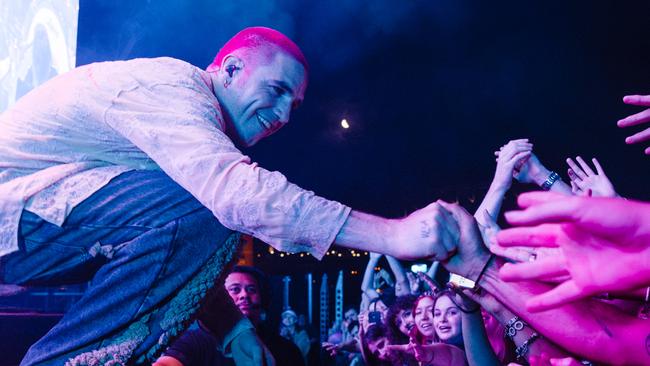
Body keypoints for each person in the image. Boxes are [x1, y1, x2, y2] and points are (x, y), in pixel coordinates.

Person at [0, 26, 462, 365]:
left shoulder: (183, 123)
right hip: (14, 210)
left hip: (31, 217)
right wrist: (396, 233)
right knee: (220, 207)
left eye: (294, 107)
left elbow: (169, 244)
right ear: (232, 69)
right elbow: (237, 199)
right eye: (277, 91)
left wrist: (233, 328)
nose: (283, 115)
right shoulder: (171, 90)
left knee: (204, 211)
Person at [154, 265, 304, 366]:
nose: (244, 295)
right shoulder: (194, 341)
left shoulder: (285, 348)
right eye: (235, 289)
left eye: (251, 289)